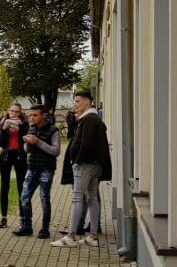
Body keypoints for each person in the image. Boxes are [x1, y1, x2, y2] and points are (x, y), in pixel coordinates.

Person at [53, 91, 110, 248]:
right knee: (92, 198)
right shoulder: (92, 119)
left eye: (77, 101)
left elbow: (86, 143)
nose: (75, 104)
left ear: (87, 102)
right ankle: (92, 236)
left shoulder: (89, 121)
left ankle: (71, 236)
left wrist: (76, 161)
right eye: (75, 101)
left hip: (85, 165)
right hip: (94, 165)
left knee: (77, 198)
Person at [13, 105, 60, 239]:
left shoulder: (53, 130)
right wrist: (27, 143)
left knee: (44, 199)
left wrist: (38, 142)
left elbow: (56, 151)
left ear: (43, 115)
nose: (31, 117)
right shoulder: (31, 128)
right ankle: (27, 226)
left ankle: (45, 229)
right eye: (30, 115)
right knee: (24, 198)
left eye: (35, 115)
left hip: (46, 169)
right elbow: (27, 150)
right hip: (32, 168)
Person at [0, 104, 28, 229]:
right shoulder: (3, 123)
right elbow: (0, 143)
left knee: (21, 186)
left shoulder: (24, 124)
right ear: (8, 111)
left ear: (20, 112)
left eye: (17, 111)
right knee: (5, 186)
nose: (14, 114)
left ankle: (22, 217)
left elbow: (25, 140)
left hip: (20, 156)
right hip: (5, 156)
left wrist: (21, 127)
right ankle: (4, 217)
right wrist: (4, 128)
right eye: (12, 111)